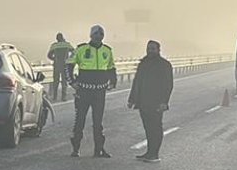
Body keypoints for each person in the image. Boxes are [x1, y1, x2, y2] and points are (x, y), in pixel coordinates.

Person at [67, 24, 117, 158]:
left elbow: (111, 67)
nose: (99, 37)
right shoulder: (81, 49)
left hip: (100, 92)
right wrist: (71, 81)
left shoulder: (107, 50)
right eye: (96, 34)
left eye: (101, 34)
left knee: (98, 122)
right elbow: (69, 65)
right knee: (80, 121)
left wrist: (113, 81)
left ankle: (99, 149)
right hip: (83, 91)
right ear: (91, 35)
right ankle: (76, 149)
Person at [128, 40, 174, 162]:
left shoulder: (164, 65)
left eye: (153, 49)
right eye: (148, 48)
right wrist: (132, 99)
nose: (150, 51)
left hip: (157, 102)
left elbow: (168, 85)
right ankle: (149, 152)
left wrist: (164, 102)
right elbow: (137, 82)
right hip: (143, 101)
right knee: (148, 127)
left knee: (156, 127)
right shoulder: (143, 63)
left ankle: (154, 154)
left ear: (158, 50)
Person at [47, 32, 74, 102]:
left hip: (56, 65)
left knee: (56, 81)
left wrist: (54, 59)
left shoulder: (54, 45)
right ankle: (63, 97)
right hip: (65, 65)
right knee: (64, 82)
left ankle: (55, 97)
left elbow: (49, 55)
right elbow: (74, 52)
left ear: (57, 38)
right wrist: (69, 59)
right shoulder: (67, 44)